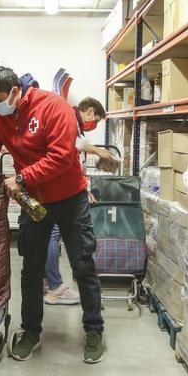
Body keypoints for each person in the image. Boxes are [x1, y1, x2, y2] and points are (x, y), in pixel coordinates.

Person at [0, 65, 106, 364]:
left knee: (83, 264)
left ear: (15, 91)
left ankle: (94, 329)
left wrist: (24, 178)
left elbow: (63, 156)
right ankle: (30, 330)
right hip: (33, 202)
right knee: (31, 269)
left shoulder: (53, 107)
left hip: (69, 198)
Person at [44, 97, 119, 305]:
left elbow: (74, 159)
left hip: (61, 186)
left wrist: (83, 189)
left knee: (52, 234)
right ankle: (55, 287)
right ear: (90, 111)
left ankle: (50, 283)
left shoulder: (75, 121)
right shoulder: (69, 116)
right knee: (53, 234)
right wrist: (98, 151)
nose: (94, 124)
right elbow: (73, 145)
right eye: (95, 119)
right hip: (55, 188)